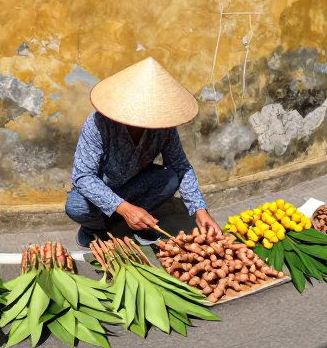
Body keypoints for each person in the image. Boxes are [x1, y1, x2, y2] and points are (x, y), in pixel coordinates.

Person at [65, 57, 221, 248]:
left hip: (135, 184)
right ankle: (95, 227)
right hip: (103, 186)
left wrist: (200, 210)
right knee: (77, 207)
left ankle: (137, 219)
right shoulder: (98, 123)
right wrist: (123, 208)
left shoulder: (164, 127)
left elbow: (180, 166)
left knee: (171, 178)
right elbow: (83, 176)